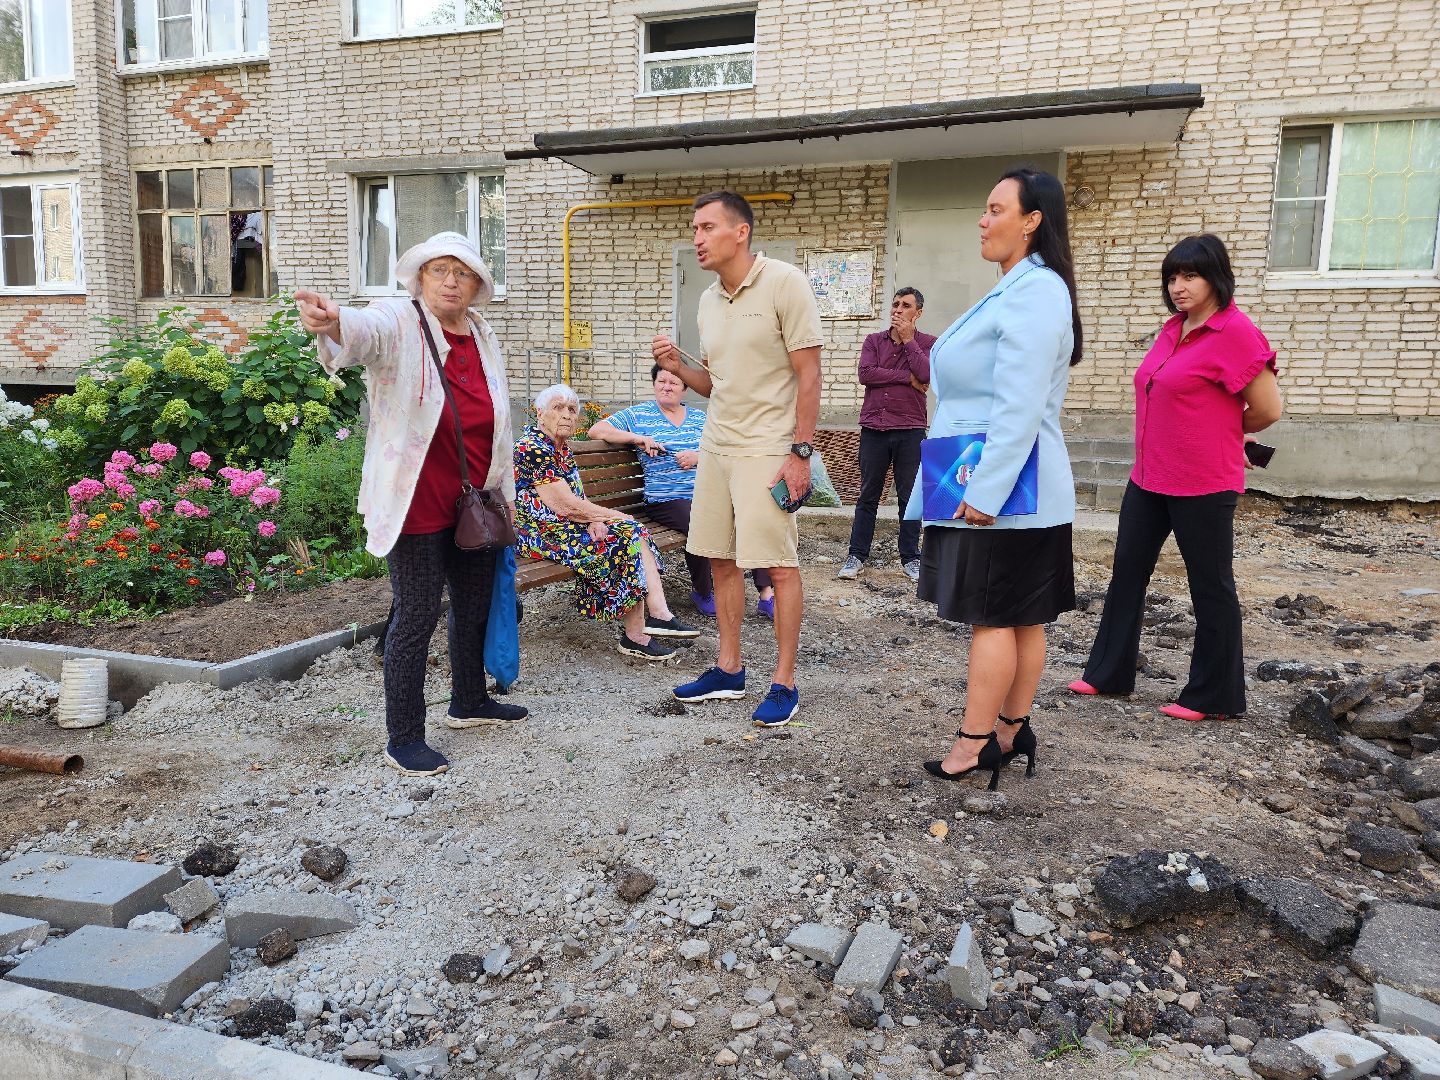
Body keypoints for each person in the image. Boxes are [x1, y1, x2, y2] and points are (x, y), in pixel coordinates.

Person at [294, 232, 527, 779]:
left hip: (475, 499)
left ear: (477, 286)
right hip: (415, 499)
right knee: (417, 614)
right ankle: (404, 736)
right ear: (420, 278)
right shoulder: (400, 319)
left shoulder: (483, 334)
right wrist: (334, 321)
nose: (451, 281)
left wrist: (506, 492)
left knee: (472, 605)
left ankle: (469, 700)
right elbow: (365, 332)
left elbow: (497, 420)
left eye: (462, 273)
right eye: (440, 270)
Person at [907, 167, 1082, 789]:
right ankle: (1009, 731)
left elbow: (1019, 403)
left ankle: (976, 742)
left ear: (1032, 220)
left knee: (995, 618)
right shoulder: (1019, 287)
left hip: (1007, 486)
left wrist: (987, 492)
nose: (982, 220)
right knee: (1021, 617)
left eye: (994, 209)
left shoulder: (1036, 291)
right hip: (1008, 483)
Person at [1070, 234, 1282, 720]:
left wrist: (1224, 431)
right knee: (1126, 574)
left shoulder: (1236, 333)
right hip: (1148, 476)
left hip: (1203, 481)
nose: (1179, 287)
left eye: (1191, 276)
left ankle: (1214, 696)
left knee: (1210, 585)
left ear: (1216, 278)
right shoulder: (1173, 330)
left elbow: (1268, 408)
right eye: (1172, 277)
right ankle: (1109, 673)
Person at [652, 190, 823, 727]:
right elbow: (715, 385)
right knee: (720, 557)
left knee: (778, 563)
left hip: (769, 447)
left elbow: (810, 375)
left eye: (706, 227)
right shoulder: (706, 301)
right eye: (694, 228)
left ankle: (785, 681)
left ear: (740, 231)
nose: (697, 238)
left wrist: (801, 453)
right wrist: (676, 366)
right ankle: (728, 668)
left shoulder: (785, 283)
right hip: (718, 447)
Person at [513, 383, 699, 659]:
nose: (566, 415)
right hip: (539, 532)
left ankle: (649, 623)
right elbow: (563, 505)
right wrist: (610, 516)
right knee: (627, 532)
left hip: (563, 525)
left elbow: (575, 495)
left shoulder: (559, 446)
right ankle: (645, 626)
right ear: (540, 413)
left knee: (626, 534)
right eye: (558, 408)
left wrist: (592, 520)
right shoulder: (533, 447)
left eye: (572, 409)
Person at [588, 364, 776, 619]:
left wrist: (698, 457)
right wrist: (638, 439)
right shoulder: (639, 415)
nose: (666, 387)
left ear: (685, 389)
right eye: (661, 381)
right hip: (666, 498)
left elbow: (722, 450)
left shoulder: (700, 418)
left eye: (673, 383)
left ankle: (766, 594)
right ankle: (703, 591)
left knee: (747, 517)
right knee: (699, 522)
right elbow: (596, 430)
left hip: (706, 493)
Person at [838, 286, 935, 583]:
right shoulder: (873, 341)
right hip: (875, 428)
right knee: (868, 494)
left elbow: (927, 374)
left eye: (905, 306)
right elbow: (866, 374)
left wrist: (908, 341)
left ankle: (910, 557)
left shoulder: (929, 343)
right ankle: (856, 555)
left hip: (910, 429)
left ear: (917, 313)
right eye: (894, 304)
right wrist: (906, 377)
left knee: (909, 496)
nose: (897, 310)